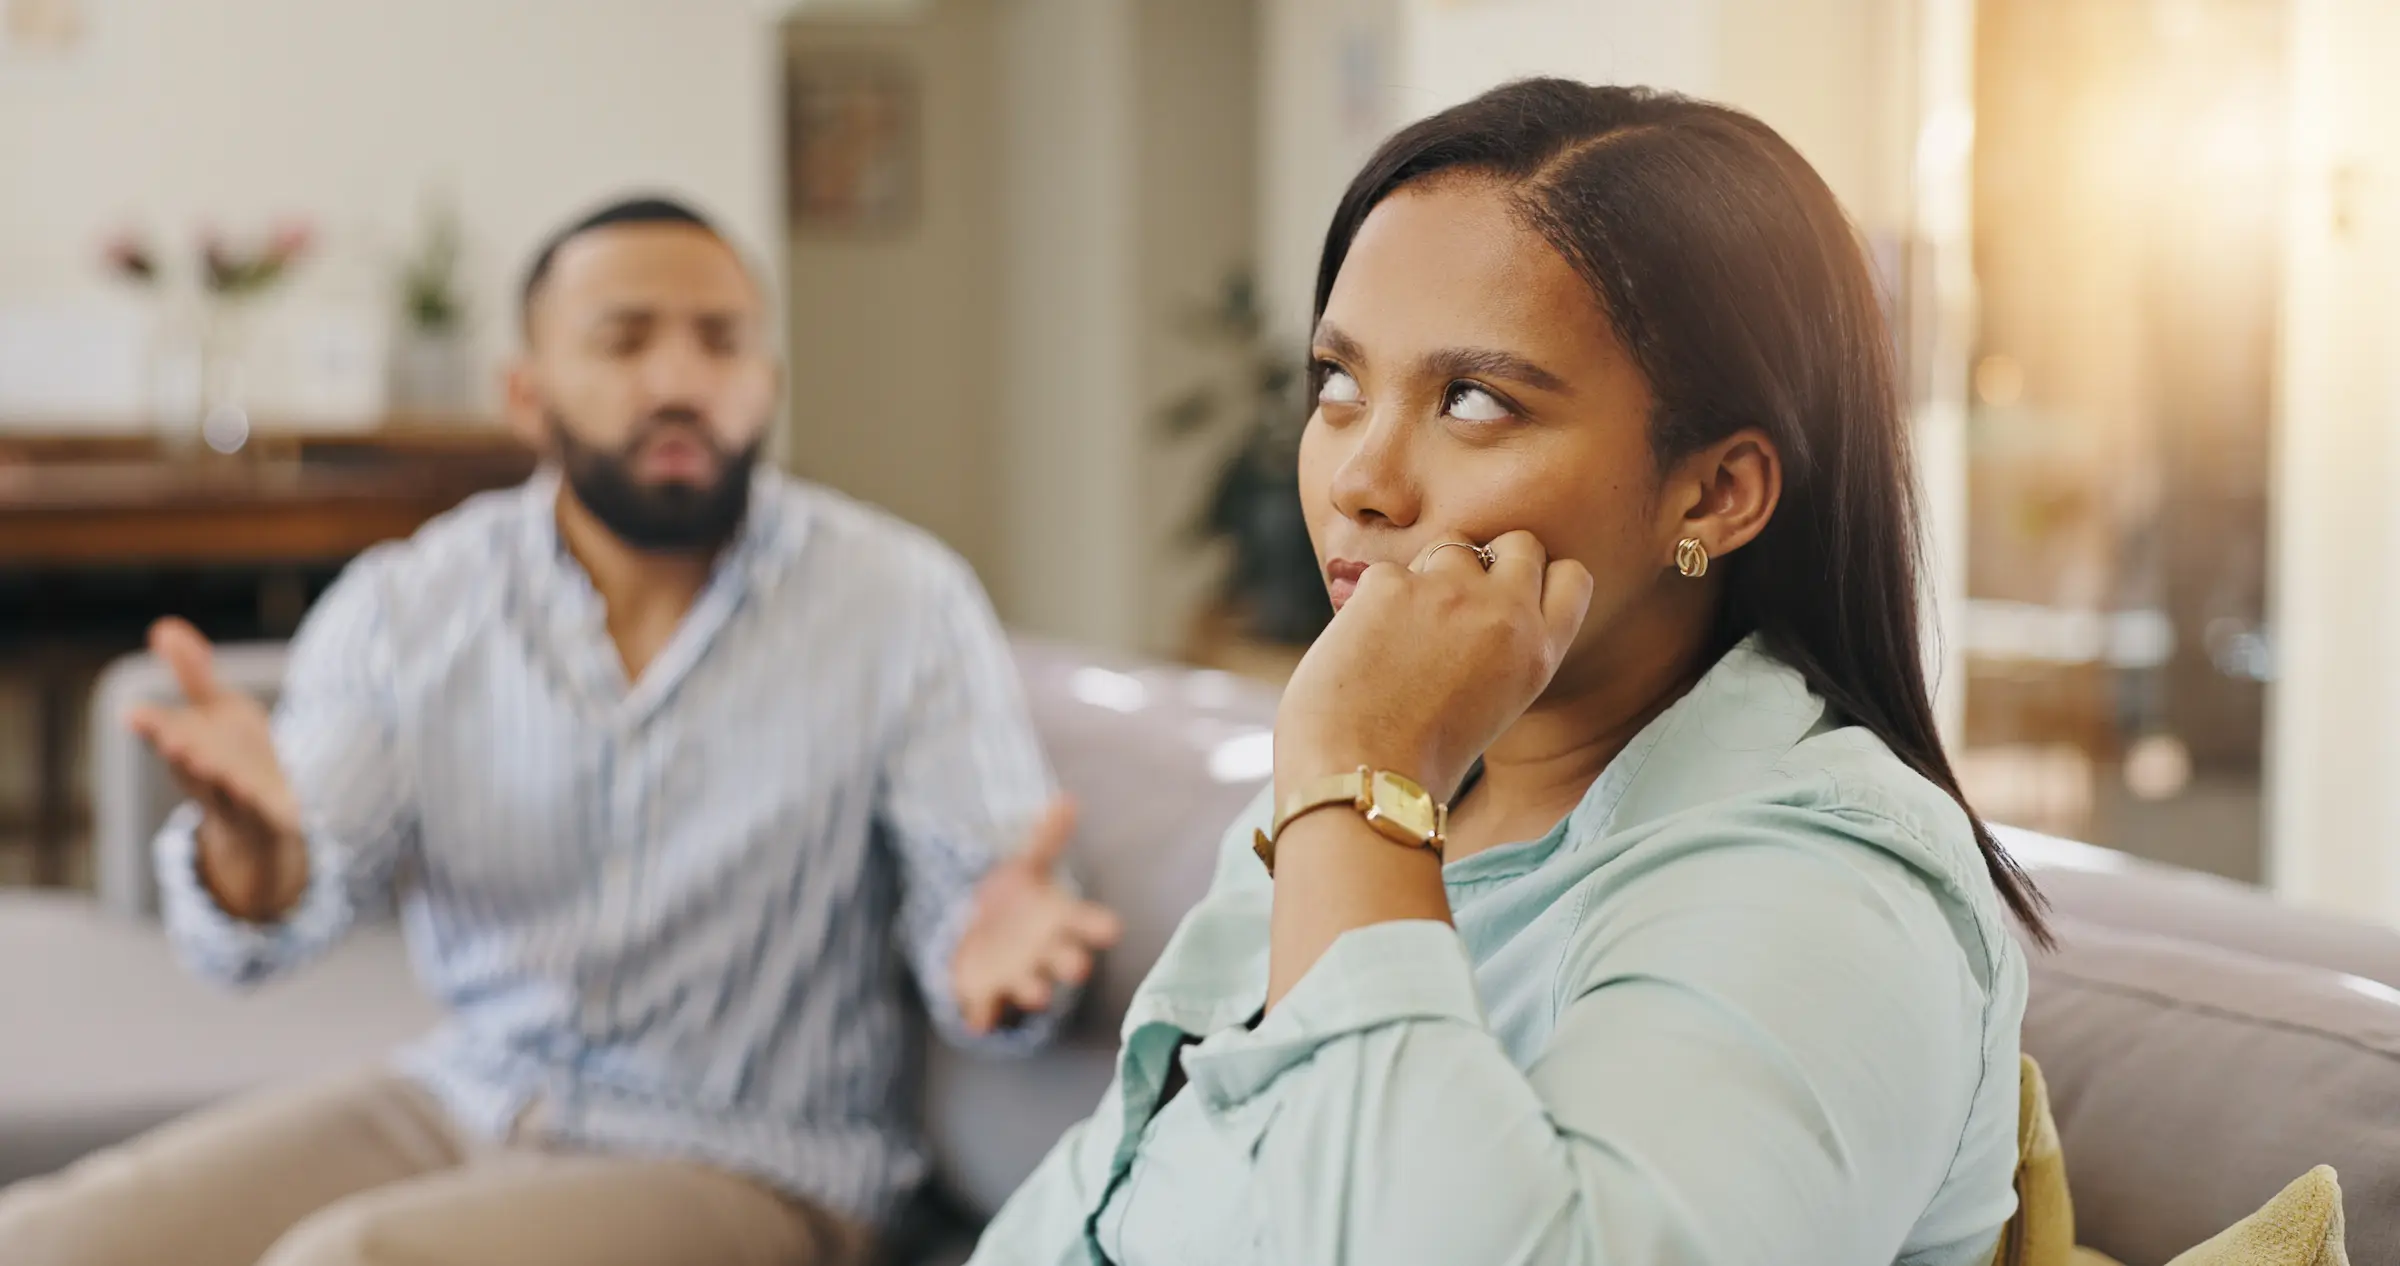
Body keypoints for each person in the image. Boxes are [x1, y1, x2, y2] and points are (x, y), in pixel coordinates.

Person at [967, 80, 2045, 1266]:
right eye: (1338, 383)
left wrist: (1356, 777)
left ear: (1713, 495)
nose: (1359, 480)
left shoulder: (1832, 894)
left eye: (1473, 400)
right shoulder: (1393, 788)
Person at [0, 196, 1121, 1266]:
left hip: (758, 1159)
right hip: (471, 1093)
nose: (679, 379)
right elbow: (277, 908)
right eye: (625, 340)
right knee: (52, 1242)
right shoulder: (411, 603)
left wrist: (1002, 955)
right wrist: (256, 858)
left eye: (721, 341)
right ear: (526, 393)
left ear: (769, 379)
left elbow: (987, 903)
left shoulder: (904, 600)